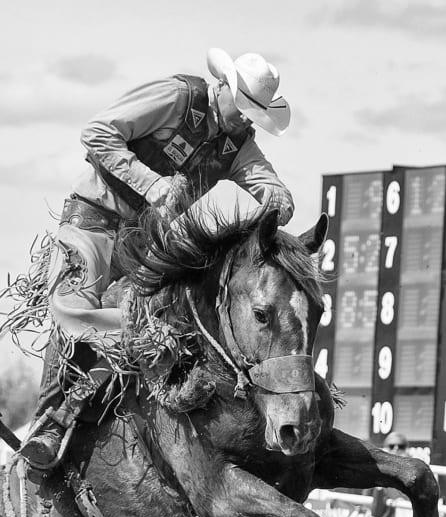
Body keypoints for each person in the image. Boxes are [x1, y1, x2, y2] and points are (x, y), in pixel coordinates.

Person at [19, 48, 295, 472]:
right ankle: (49, 423)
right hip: (94, 219)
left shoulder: (237, 145)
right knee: (72, 308)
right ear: (222, 87)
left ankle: (143, 413)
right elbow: (97, 132)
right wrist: (149, 183)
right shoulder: (176, 97)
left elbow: (266, 181)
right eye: (241, 109)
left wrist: (278, 197)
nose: (243, 120)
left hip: (144, 248)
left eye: (252, 116)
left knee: (164, 318)